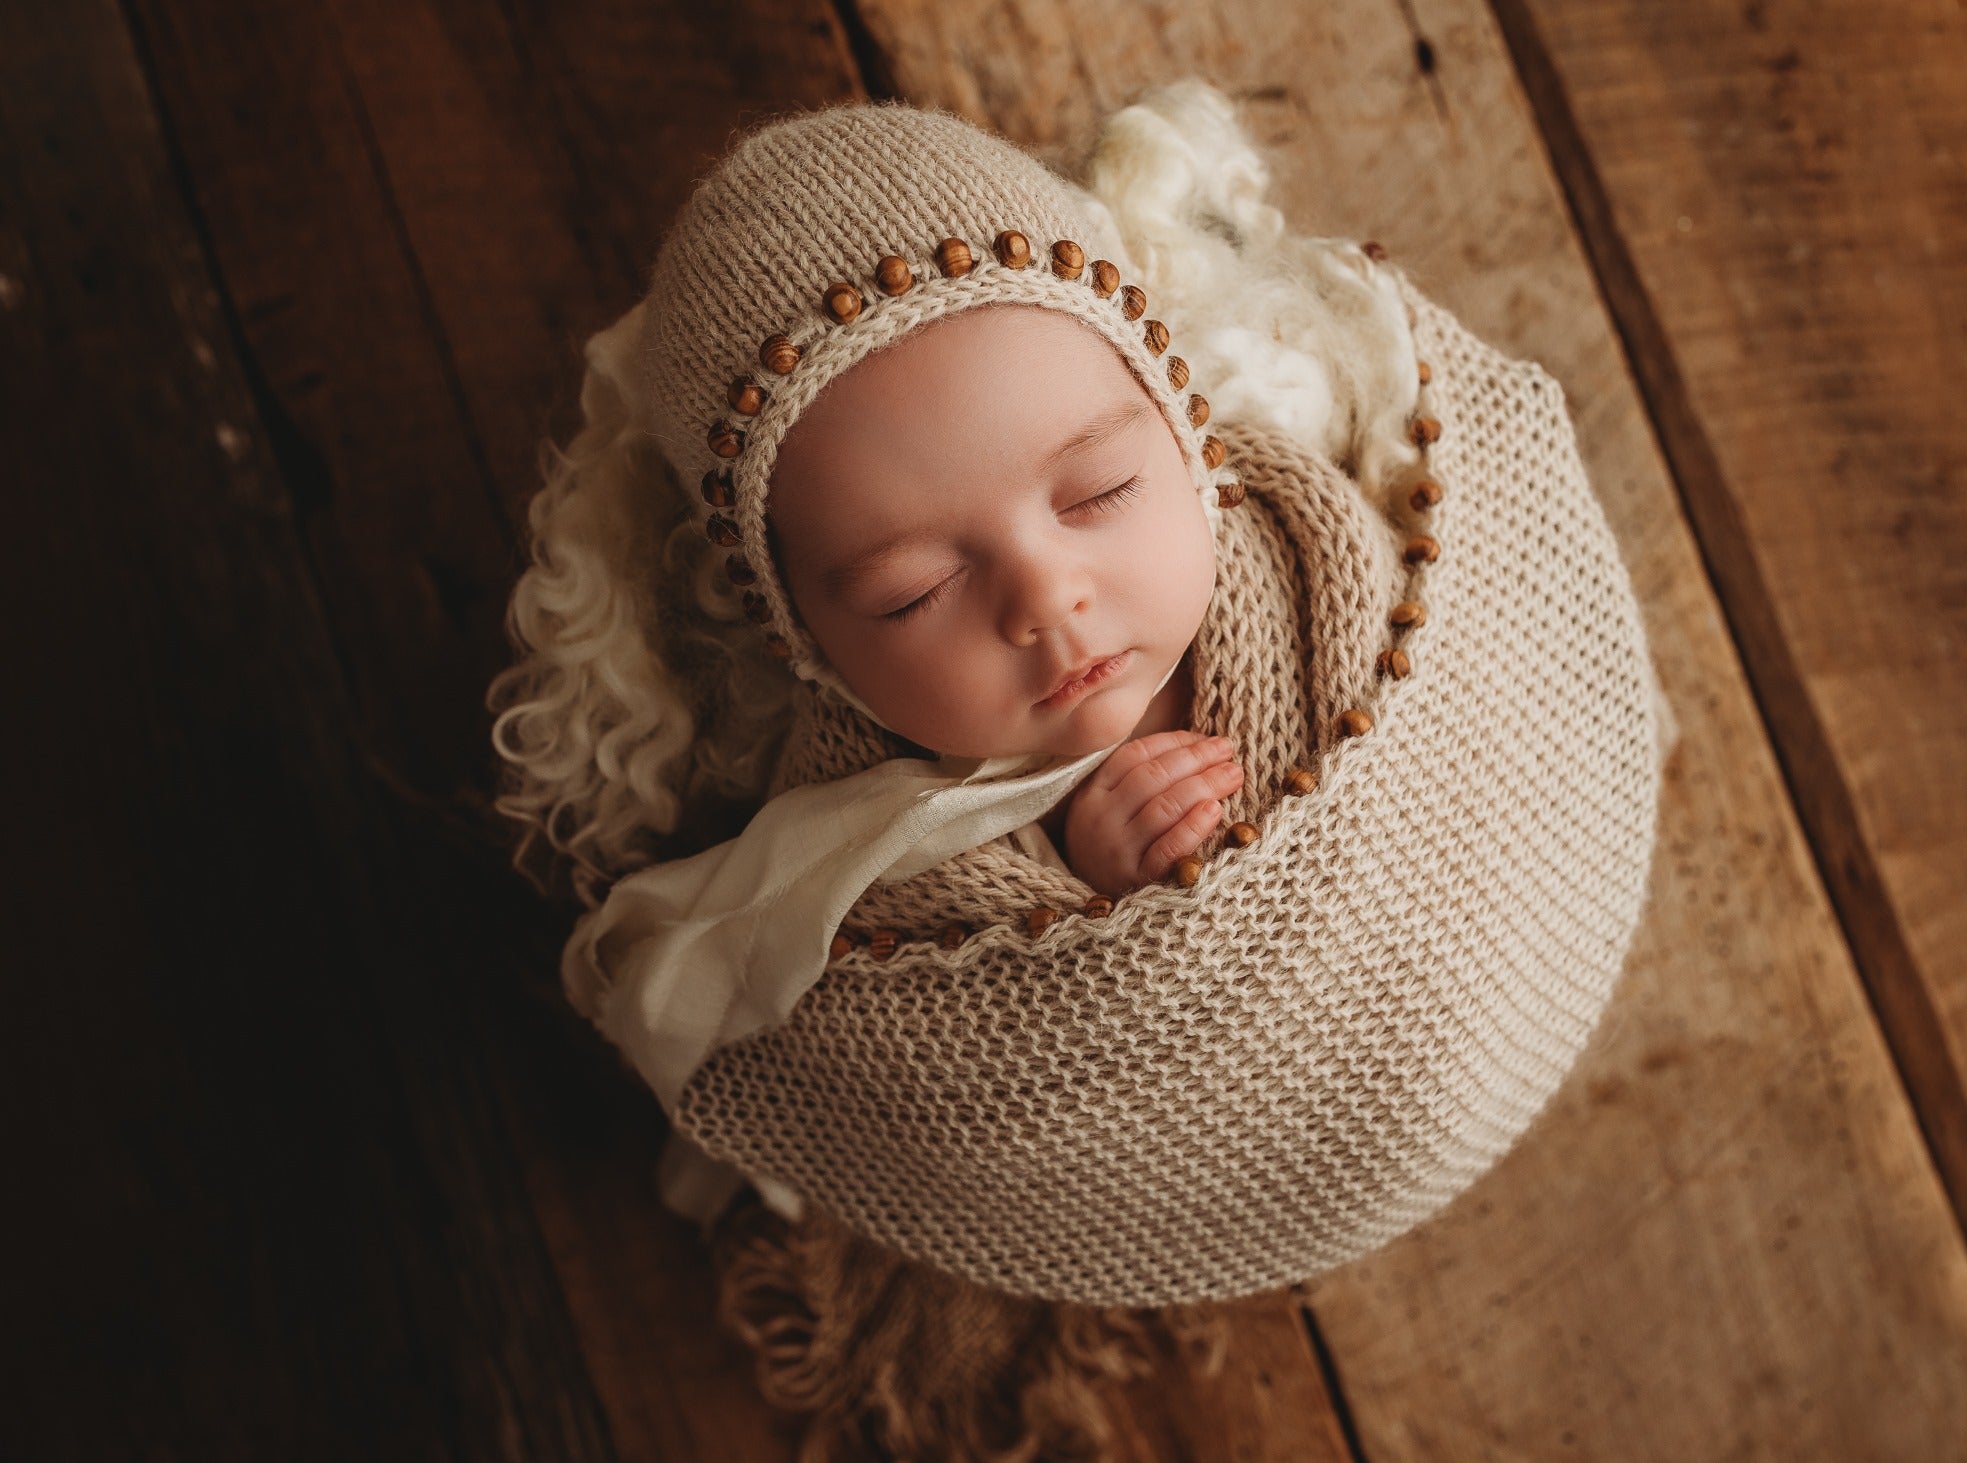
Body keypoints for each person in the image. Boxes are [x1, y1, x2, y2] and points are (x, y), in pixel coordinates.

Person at [487, 79, 1673, 1455]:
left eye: (1100, 493)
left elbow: (1438, 668)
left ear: (1182, 414)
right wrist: (1064, 867)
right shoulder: (844, 800)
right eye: (913, 592)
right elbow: (862, 926)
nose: (1048, 599)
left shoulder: (1307, 548)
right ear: (803, 643)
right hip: (1195, 1141)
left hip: (1459, 955)